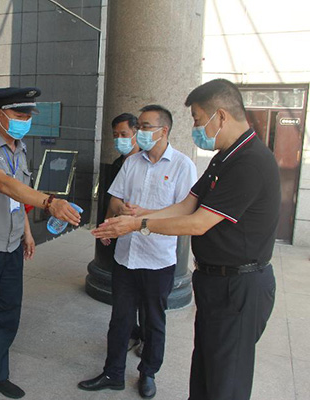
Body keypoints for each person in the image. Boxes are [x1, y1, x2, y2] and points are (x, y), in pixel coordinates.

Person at [92, 79, 280, 400]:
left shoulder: (250, 162)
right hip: (214, 282)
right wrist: (137, 217)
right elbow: (186, 205)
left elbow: (198, 223)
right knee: (206, 370)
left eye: (197, 119)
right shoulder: (224, 157)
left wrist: (138, 225)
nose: (195, 128)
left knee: (225, 381)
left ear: (220, 116)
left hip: (238, 287)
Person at [0, 87, 81, 400]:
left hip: (10, 246)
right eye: (19, 115)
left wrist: (26, 232)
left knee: (6, 315)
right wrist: (50, 202)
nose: (24, 122)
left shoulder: (20, 149)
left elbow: (18, 197)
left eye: (28, 116)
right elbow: (4, 184)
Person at [80, 105, 197, 399]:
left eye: (145, 127)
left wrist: (144, 216)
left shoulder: (182, 166)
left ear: (163, 130)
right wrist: (120, 213)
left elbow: (184, 213)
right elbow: (115, 199)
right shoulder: (132, 162)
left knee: (154, 322)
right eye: (140, 126)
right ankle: (113, 373)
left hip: (158, 259)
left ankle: (148, 373)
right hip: (126, 256)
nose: (139, 132)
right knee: (120, 319)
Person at [99, 112, 145, 355]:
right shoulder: (120, 163)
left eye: (124, 134)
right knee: (124, 297)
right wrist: (107, 225)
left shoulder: (149, 162)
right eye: (115, 135)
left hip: (147, 237)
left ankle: (146, 336)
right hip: (123, 239)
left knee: (146, 297)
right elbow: (113, 198)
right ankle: (131, 332)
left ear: (137, 133)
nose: (119, 140)